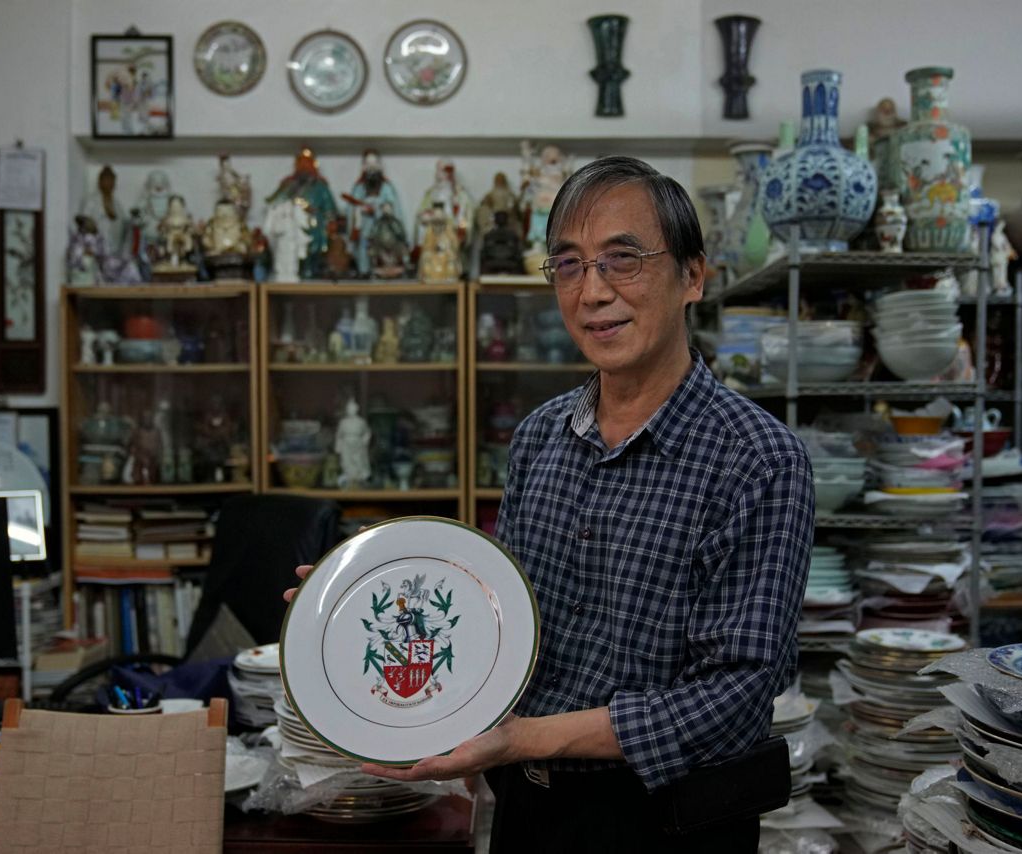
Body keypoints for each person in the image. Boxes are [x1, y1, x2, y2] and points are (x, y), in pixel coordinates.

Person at [285, 156, 813, 852]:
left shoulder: (759, 460)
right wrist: (355, 614)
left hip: (669, 821)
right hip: (528, 813)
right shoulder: (540, 436)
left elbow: (733, 698)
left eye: (622, 260)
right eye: (568, 265)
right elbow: (500, 622)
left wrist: (519, 738)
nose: (592, 291)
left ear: (692, 276)